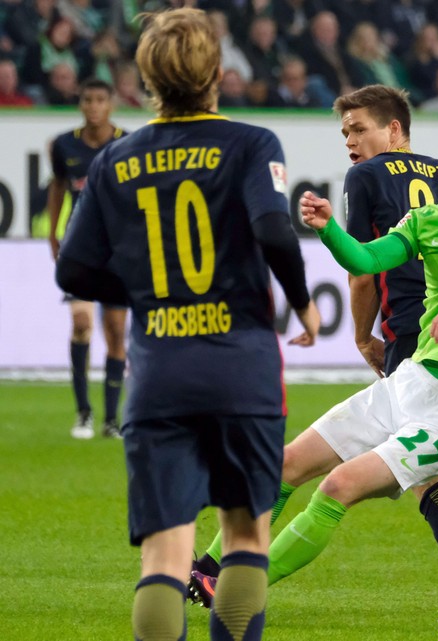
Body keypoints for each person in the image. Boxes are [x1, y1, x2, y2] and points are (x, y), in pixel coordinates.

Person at [189, 88, 438, 619]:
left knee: (340, 485)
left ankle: (240, 592)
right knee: (283, 466)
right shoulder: (431, 219)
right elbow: (368, 257)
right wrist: (327, 230)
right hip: (406, 383)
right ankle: (213, 570)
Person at [54, 8, 320, 641]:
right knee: (245, 537)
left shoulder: (114, 159)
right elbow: (272, 229)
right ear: (216, 72)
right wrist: (302, 300)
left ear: (147, 77)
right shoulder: (253, 143)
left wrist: (149, 294)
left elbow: (73, 269)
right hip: (241, 369)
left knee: (164, 559)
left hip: (160, 374)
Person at [48, 77, 127, 439]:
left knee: (115, 332)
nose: (93, 106)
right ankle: (83, 413)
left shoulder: (128, 143)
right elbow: (58, 186)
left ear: (110, 104)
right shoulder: (64, 145)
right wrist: (52, 231)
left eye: (100, 99)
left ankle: (111, 420)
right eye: (87, 100)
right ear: (80, 104)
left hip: (116, 252)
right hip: (80, 250)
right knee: (81, 323)